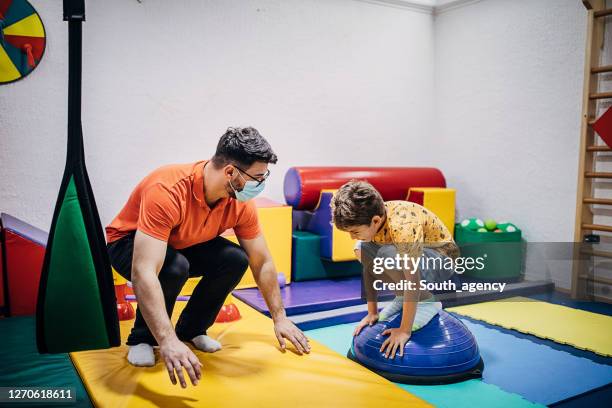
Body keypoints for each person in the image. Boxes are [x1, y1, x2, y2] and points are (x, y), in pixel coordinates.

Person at [105, 127, 310, 388]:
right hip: (127, 242)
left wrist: (279, 318)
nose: (261, 183)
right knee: (173, 267)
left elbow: (263, 261)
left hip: (180, 242)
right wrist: (167, 341)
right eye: (258, 177)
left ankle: (191, 330)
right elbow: (144, 271)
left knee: (235, 258)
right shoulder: (167, 189)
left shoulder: (240, 203)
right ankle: (143, 338)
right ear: (230, 172)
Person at [331, 180, 459, 359]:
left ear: (375, 220)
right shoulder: (375, 222)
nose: (352, 237)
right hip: (418, 258)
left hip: (442, 260)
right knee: (362, 249)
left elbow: (412, 279)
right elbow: (369, 270)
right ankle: (401, 296)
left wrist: (404, 330)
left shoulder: (402, 226)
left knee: (387, 254)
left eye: (355, 231)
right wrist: (372, 312)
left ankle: (427, 302)